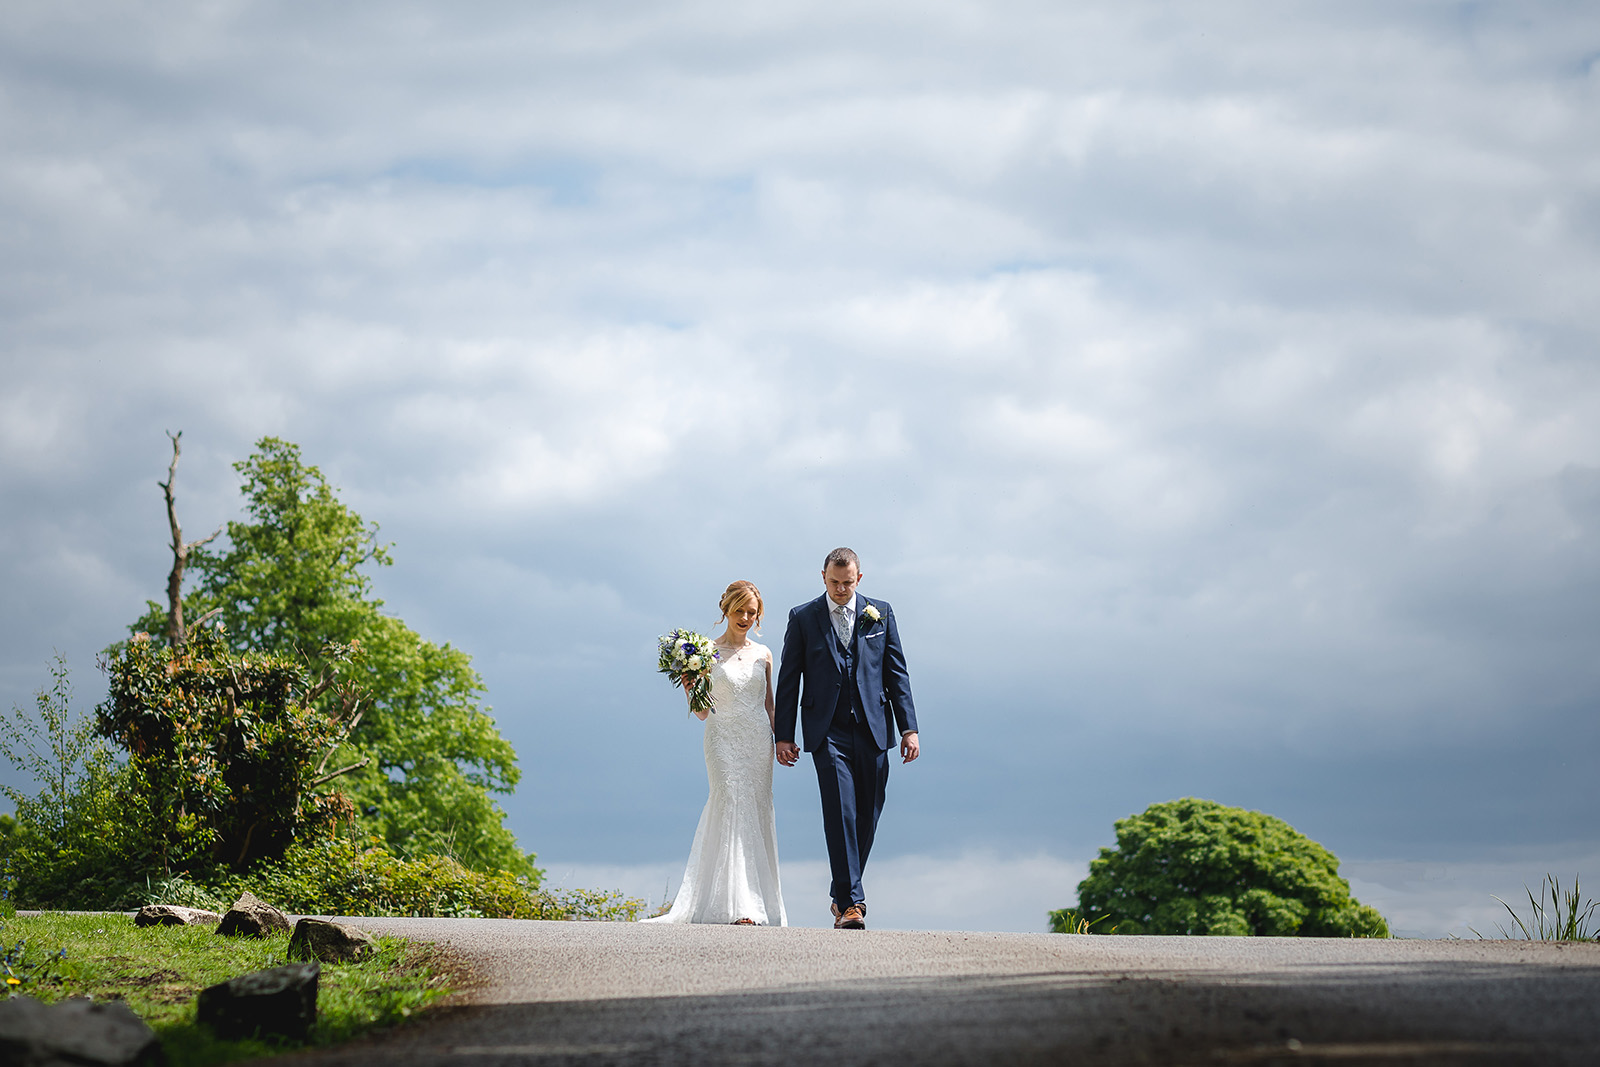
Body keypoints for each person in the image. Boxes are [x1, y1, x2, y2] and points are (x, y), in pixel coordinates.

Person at [775, 547, 918, 930]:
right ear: (823, 576)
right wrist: (784, 736)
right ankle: (853, 903)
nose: (840, 589)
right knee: (841, 811)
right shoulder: (803, 617)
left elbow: (896, 673)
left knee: (867, 814)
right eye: (834, 582)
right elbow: (789, 678)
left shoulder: (881, 613)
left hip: (873, 727)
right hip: (827, 731)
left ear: (859, 579)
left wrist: (909, 728)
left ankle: (841, 892)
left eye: (848, 583)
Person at [644, 580, 787, 926]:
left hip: (757, 741)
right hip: (722, 737)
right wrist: (690, 684)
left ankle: (754, 904)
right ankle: (733, 905)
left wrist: (783, 740)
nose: (745, 618)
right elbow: (702, 712)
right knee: (728, 803)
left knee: (755, 809)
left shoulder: (764, 654)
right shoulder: (704, 652)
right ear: (726, 609)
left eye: (752, 613)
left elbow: (770, 705)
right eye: (739, 610)